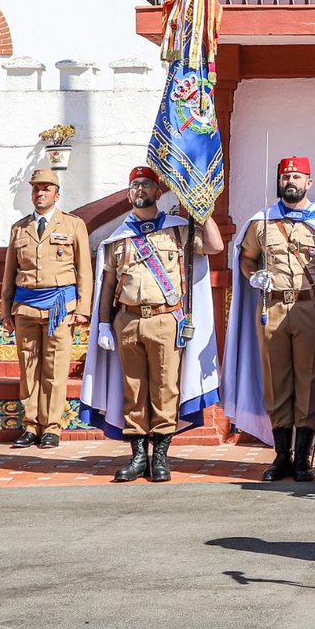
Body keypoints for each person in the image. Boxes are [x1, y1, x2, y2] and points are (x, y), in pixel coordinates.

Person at [224, 157, 315, 481]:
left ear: (309, 181)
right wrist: (253, 276)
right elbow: (246, 257)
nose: (290, 180)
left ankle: (303, 457)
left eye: (297, 175)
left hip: (310, 307)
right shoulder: (261, 221)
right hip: (272, 306)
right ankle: (281, 456)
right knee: (276, 382)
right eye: (285, 175)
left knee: (309, 380)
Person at [81, 166, 222, 484]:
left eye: (146, 184)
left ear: (159, 193)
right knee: (133, 389)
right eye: (134, 185)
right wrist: (103, 324)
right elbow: (108, 285)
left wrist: (202, 211)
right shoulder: (118, 238)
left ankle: (160, 456)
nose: (139, 190)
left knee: (164, 388)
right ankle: (137, 456)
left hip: (165, 320)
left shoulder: (178, 230)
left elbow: (215, 246)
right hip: (127, 321)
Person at [0, 168, 93, 449]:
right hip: (26, 307)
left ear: (57, 193)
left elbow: (84, 271)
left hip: (59, 308)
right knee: (29, 368)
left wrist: (83, 309)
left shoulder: (73, 225)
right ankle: (30, 425)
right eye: (36, 189)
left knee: (55, 368)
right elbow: (9, 272)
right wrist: (6, 310)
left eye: (46, 189)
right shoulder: (20, 228)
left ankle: (51, 427)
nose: (40, 194)